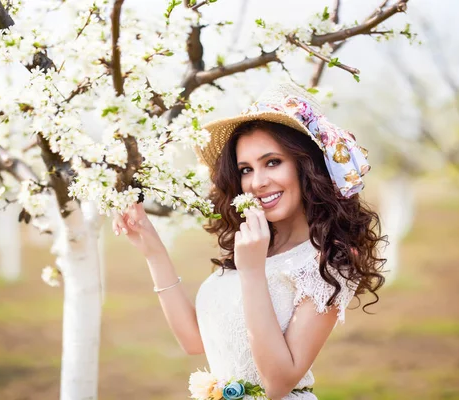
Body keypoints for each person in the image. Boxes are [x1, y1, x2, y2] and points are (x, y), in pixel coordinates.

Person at [112, 81, 386, 400]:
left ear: (306, 166)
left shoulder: (329, 259)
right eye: (245, 169)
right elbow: (194, 341)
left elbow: (278, 383)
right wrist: (153, 251)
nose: (257, 182)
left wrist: (252, 272)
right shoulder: (256, 244)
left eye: (272, 162)